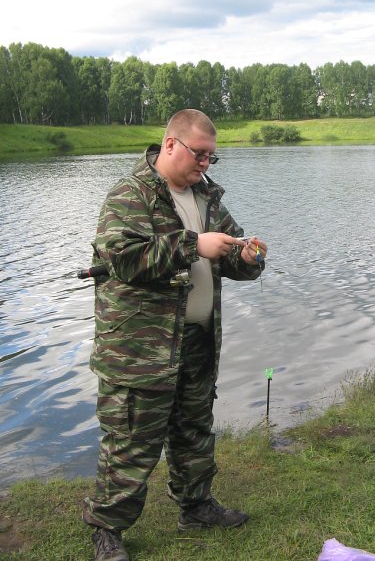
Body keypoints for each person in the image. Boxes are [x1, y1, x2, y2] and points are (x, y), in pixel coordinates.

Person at [82, 108, 268, 561]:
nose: (205, 163)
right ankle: (107, 529)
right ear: (170, 144)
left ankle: (196, 506)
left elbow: (228, 249)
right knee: (131, 441)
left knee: (194, 431)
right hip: (139, 349)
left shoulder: (207, 197)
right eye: (199, 154)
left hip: (197, 340)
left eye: (211, 157)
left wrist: (246, 258)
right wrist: (193, 244)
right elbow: (124, 259)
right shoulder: (131, 193)